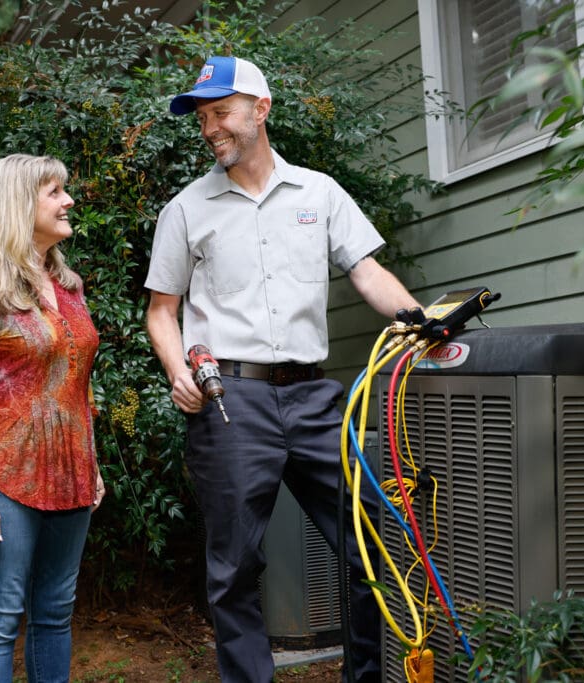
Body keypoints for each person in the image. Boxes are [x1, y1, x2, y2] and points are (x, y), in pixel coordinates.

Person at [144, 55, 423, 683]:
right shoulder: (186, 210)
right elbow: (162, 313)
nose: (210, 128)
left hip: (316, 399)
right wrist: (175, 371)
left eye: (220, 113)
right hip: (230, 403)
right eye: (202, 119)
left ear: (260, 110)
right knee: (234, 568)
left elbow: (366, 271)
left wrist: (421, 320)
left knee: (369, 547)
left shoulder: (318, 192)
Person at [0, 153, 104, 683]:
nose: (68, 201)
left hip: (71, 474)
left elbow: (80, 386)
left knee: (55, 615)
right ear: (16, 203)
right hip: (2, 478)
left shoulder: (70, 288)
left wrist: (92, 463)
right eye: (54, 192)